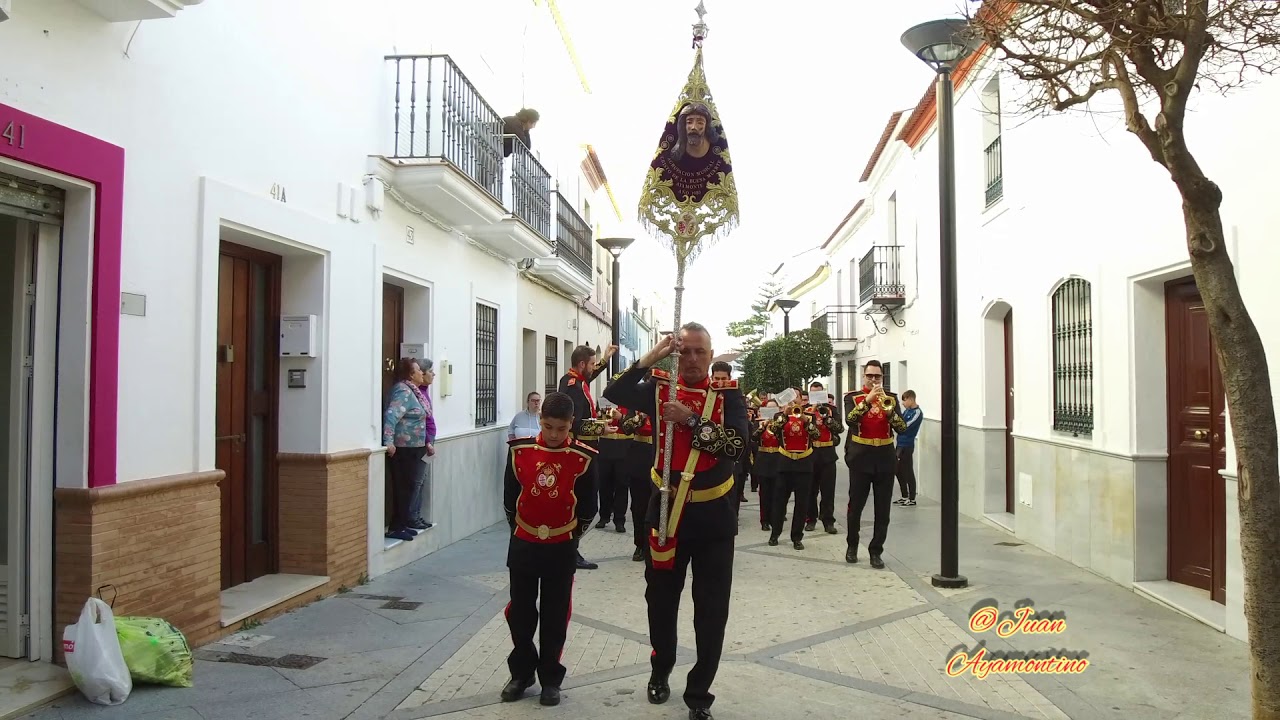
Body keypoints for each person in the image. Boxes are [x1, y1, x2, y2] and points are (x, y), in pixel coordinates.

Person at [604, 323, 748, 720]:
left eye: (700, 352)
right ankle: (661, 666)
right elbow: (614, 391)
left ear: (712, 354)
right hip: (666, 513)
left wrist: (690, 420)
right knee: (661, 600)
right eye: (685, 351)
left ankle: (699, 693)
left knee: (712, 609)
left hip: (714, 518)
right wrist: (651, 356)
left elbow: (737, 446)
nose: (693, 359)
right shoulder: (659, 388)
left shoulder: (728, 397)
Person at [499, 391, 598, 707]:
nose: (554, 434)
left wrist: (570, 537)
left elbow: (588, 507)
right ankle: (521, 673)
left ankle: (551, 679)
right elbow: (510, 499)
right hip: (524, 543)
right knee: (520, 612)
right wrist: (521, 531)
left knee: (555, 614)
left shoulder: (583, 458)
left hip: (561, 546)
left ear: (571, 424)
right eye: (548, 426)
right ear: (540, 420)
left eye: (561, 428)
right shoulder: (519, 452)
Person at [843, 360, 908, 569]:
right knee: (856, 506)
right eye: (869, 376)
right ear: (864, 376)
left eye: (877, 376)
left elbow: (902, 428)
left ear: (882, 377)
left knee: (883, 509)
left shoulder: (892, 398)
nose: (873, 379)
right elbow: (850, 420)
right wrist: (868, 401)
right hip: (861, 457)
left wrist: (890, 413)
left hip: (885, 457)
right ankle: (852, 545)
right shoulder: (852, 398)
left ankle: (876, 550)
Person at [558, 344, 617, 570]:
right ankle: (569, 549)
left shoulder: (575, 380)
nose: (593, 368)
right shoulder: (574, 386)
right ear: (582, 364)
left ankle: (570, 549)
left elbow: (590, 376)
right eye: (592, 364)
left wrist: (606, 359)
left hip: (584, 451)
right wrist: (602, 428)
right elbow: (576, 424)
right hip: (580, 452)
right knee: (585, 504)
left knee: (583, 503)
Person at [383, 358, 435, 541]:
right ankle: (396, 527)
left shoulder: (415, 392)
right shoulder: (403, 391)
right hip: (403, 448)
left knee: (410, 487)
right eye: (418, 370)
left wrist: (427, 442)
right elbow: (391, 416)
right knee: (403, 488)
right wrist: (388, 441)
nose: (422, 372)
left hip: (415, 447)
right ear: (411, 374)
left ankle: (403, 524)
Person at [767, 400, 820, 550]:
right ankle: (775, 533)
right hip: (785, 463)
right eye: (790, 401)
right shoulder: (779, 416)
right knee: (779, 502)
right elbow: (774, 430)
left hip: (804, 464)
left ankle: (797, 537)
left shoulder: (809, 416)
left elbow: (816, 435)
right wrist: (785, 415)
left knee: (802, 503)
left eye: (796, 400)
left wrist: (805, 421)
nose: (793, 404)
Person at [804, 381, 843, 534]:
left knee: (828, 491)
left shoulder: (832, 409)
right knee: (810, 490)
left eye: (819, 393)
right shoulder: (804, 410)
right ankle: (810, 519)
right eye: (813, 393)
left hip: (828, 454)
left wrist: (827, 418)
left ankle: (828, 521)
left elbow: (840, 429)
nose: (816, 396)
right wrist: (811, 412)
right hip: (810, 454)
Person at [621, 400, 656, 561]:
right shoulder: (636, 404)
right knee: (639, 505)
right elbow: (626, 428)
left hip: (661, 454)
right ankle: (640, 544)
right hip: (640, 456)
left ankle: (657, 543)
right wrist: (641, 416)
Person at [596, 399, 633, 532]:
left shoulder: (631, 403)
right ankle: (604, 516)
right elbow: (599, 421)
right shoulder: (605, 401)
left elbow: (634, 424)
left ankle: (619, 519)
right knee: (604, 484)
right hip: (606, 446)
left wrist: (621, 417)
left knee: (622, 485)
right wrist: (602, 417)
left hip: (624, 447)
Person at [754, 403, 780, 532]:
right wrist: (762, 427)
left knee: (777, 492)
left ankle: (775, 519)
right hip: (763, 460)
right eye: (768, 408)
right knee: (764, 493)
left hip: (777, 460)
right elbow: (753, 438)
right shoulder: (758, 423)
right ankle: (764, 520)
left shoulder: (780, 423)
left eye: (773, 408)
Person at [895, 390, 924, 506]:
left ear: (911, 399)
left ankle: (912, 498)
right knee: (897, 470)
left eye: (905, 400)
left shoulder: (917, 413)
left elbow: (905, 426)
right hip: (900, 444)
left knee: (908, 471)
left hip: (907, 445)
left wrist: (898, 426)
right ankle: (904, 496)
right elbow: (901, 422)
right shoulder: (907, 411)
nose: (903, 403)